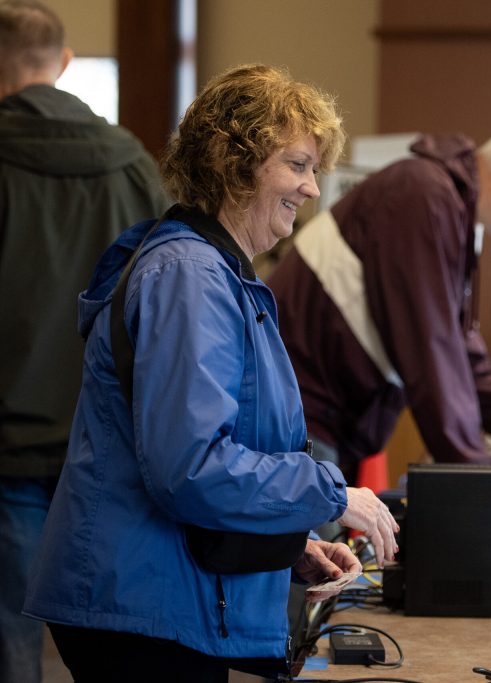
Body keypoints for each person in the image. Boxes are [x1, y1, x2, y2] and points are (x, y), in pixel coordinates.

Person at [22, 64, 399, 682]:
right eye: (298, 165)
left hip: (160, 592)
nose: (312, 188)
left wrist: (285, 543)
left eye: (314, 170)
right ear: (237, 163)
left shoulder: (211, 271)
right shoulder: (189, 278)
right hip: (139, 603)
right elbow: (190, 465)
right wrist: (333, 493)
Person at [267, 117, 491, 480]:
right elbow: (432, 351)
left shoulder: (451, 209)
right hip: (296, 420)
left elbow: (461, 357)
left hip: (318, 421)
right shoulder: (422, 195)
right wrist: (480, 477)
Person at [0, 2, 167, 681]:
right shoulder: (135, 166)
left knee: (11, 633)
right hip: (107, 444)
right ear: (64, 64)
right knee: (111, 637)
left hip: (8, 443)